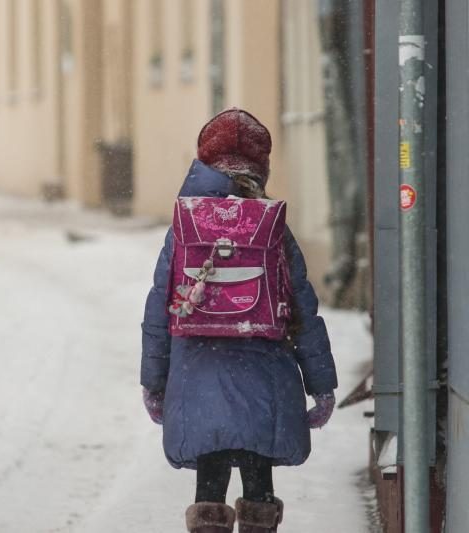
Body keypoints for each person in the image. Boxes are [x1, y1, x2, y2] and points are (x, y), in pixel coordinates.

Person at [140, 108, 338, 533]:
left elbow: (159, 309)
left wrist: (154, 381)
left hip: (198, 378)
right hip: (264, 380)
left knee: (208, 481)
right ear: (261, 168)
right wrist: (321, 385)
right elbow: (303, 310)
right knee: (257, 476)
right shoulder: (271, 229)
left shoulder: (186, 227)